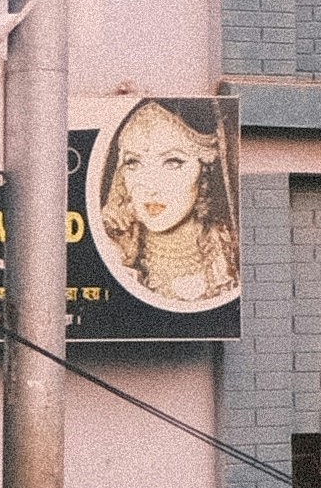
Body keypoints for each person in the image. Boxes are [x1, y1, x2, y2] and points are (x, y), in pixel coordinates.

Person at [87, 94, 239, 321]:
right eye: (133, 162)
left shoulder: (229, 253)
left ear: (205, 168)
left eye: (173, 162)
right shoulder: (115, 253)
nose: (151, 187)